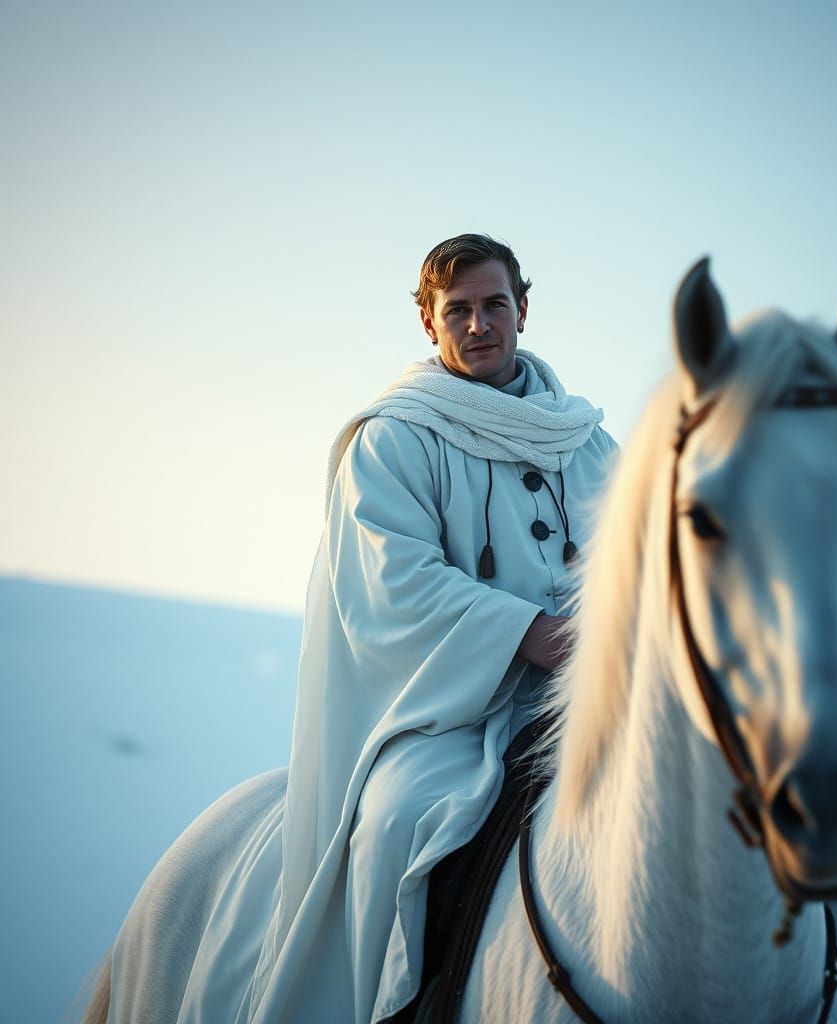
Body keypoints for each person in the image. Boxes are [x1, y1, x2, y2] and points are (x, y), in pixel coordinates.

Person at [207, 234, 617, 1023]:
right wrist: (527, 632)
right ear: (429, 326)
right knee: (398, 818)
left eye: (494, 305)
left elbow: (641, 570)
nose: (478, 325)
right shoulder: (392, 438)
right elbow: (391, 582)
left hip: (595, 701)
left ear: (523, 310)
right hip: (447, 716)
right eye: (456, 311)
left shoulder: (591, 443)